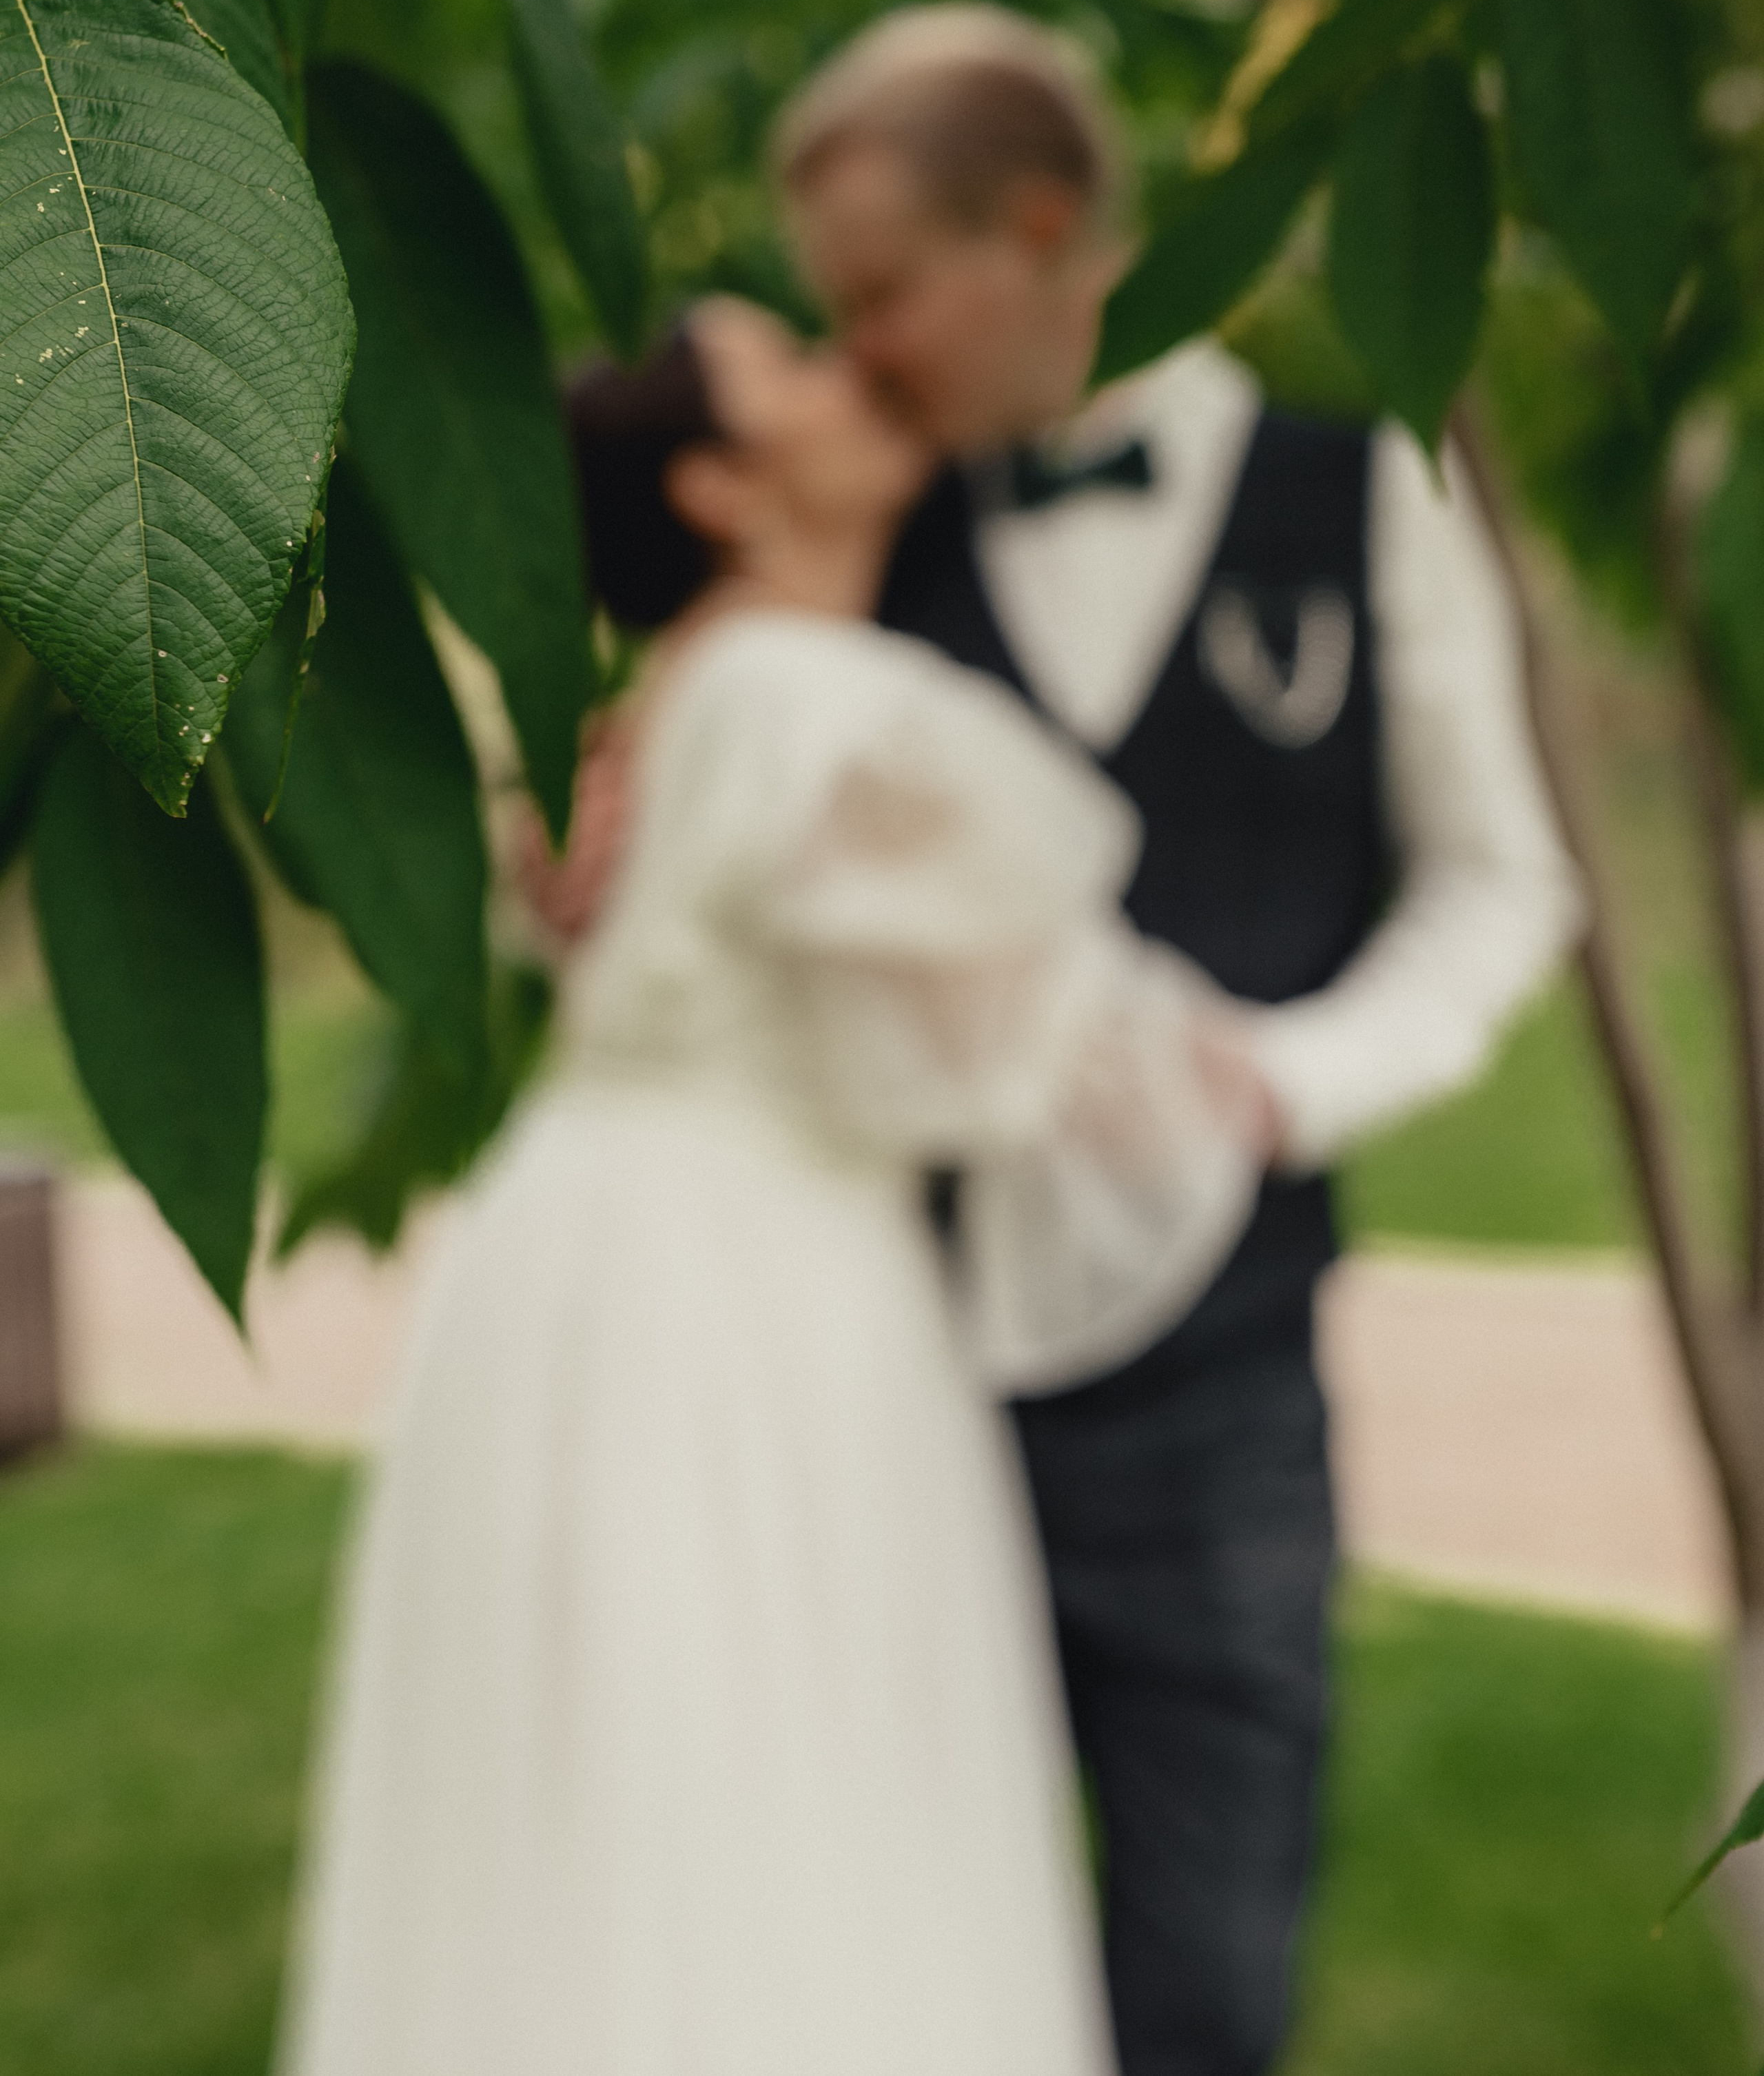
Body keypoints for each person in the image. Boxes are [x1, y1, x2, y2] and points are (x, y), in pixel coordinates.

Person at [277, 302, 1261, 2076]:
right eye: (791, 364)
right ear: (723, 485)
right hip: (756, 1292)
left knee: (579, 1796)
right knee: (787, 1773)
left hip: (564, 1273)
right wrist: (1279, 1076)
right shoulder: (826, 710)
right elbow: (1064, 1062)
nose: (848, 367)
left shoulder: (662, 713)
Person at [762, 3, 1587, 2076]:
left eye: (884, 294)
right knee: (908, 1960)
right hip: (911, 1379)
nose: (858, 354)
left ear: (1041, 230)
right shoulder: (858, 538)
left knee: (1206, 1988)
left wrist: (1293, 1077)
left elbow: (1507, 881)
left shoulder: (1357, 494)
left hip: (1227, 1398)